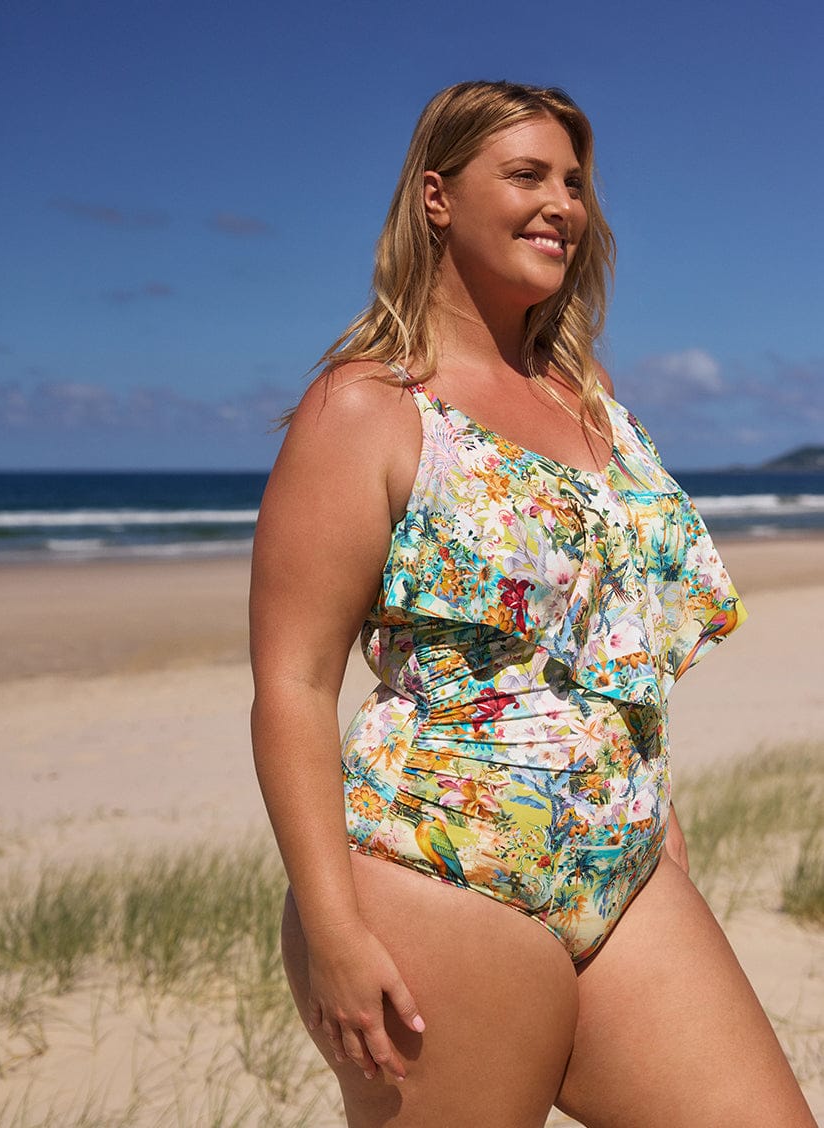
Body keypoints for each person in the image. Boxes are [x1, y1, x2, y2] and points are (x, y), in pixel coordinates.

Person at [249, 80, 814, 1127]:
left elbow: (606, 642)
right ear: (437, 197)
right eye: (525, 176)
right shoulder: (369, 406)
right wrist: (333, 931)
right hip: (438, 872)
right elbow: (293, 681)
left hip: (623, 875)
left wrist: (660, 820)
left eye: (574, 182)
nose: (561, 203)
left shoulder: (587, 393)